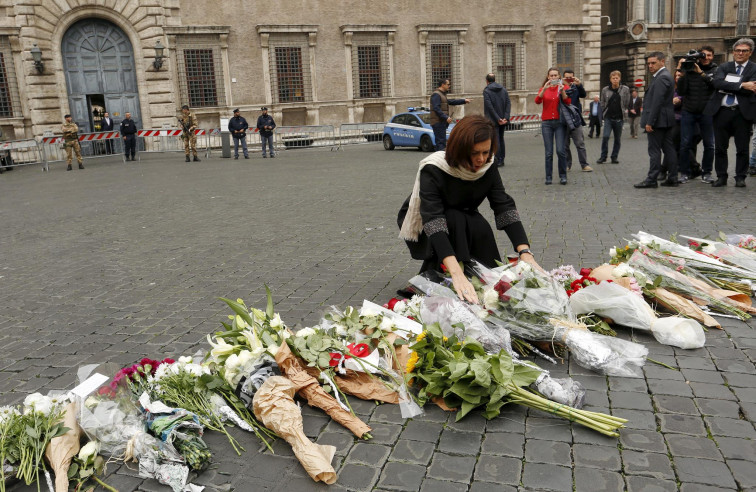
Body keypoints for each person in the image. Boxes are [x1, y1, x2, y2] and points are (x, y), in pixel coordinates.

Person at [397, 115, 540, 304]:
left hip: (463, 215)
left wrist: (525, 253)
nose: (481, 159)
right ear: (459, 149)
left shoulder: (488, 165)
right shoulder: (434, 168)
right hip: (427, 222)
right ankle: (445, 275)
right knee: (455, 219)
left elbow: (503, 205)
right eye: (474, 153)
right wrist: (456, 273)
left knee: (480, 226)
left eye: (485, 152)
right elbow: (433, 219)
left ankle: (481, 276)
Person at [704, 38, 756, 188]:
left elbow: (752, 89)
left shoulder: (754, 68)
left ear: (750, 53)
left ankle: (740, 177)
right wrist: (742, 85)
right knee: (720, 147)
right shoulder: (724, 66)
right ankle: (721, 176)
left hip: (742, 113)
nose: (740, 53)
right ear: (733, 52)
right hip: (721, 112)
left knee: (743, 148)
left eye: (744, 51)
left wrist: (728, 86)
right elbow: (717, 83)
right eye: (738, 50)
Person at [635, 52, 678, 188]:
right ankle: (672, 177)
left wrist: (650, 122)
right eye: (648, 63)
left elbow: (657, 102)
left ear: (662, 62)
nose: (650, 66)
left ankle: (652, 179)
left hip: (658, 120)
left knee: (654, 150)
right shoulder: (664, 76)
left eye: (653, 63)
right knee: (668, 149)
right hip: (665, 119)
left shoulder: (661, 77)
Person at [676, 56, 715, 183]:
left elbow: (714, 86)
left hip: (706, 111)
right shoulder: (687, 72)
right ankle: (684, 172)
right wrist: (681, 72)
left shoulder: (712, 70)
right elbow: (681, 91)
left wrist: (701, 73)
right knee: (685, 144)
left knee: (709, 144)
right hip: (689, 111)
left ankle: (707, 172)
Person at [534, 67, 571, 185]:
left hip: (560, 122)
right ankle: (548, 177)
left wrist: (563, 91)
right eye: (551, 76)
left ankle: (563, 176)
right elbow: (537, 101)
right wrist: (544, 89)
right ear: (548, 77)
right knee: (548, 152)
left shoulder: (563, 87)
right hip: (547, 123)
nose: (554, 77)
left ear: (559, 76)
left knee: (560, 150)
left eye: (555, 75)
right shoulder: (544, 88)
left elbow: (568, 102)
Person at [562, 69, 592, 172]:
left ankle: (584, 164)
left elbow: (583, 95)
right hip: (564, 119)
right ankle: (567, 165)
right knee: (565, 145)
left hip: (575, 118)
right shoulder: (560, 87)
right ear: (563, 77)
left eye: (571, 77)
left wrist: (579, 85)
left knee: (580, 143)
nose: (569, 80)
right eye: (567, 78)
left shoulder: (576, 86)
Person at [597, 70, 631, 164]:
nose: (615, 80)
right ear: (610, 79)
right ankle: (603, 157)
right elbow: (602, 102)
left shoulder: (625, 89)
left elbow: (627, 102)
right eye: (613, 78)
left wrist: (624, 110)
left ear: (620, 79)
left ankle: (614, 157)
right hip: (608, 117)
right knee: (605, 136)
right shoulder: (605, 90)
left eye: (617, 78)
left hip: (619, 118)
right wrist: (604, 111)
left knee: (617, 139)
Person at [430, 78, 471, 151]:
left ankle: (442, 158)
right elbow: (436, 108)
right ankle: (440, 159)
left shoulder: (441, 95)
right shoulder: (436, 94)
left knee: (442, 142)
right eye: (448, 84)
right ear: (443, 85)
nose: (449, 86)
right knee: (440, 143)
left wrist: (464, 101)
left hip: (441, 122)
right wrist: (445, 117)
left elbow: (451, 101)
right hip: (438, 122)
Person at [482, 73, 510, 167]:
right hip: (503, 119)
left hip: (493, 120)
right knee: (501, 139)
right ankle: (502, 159)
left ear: (487, 81)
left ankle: (497, 160)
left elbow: (489, 107)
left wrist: (497, 119)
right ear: (494, 79)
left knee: (495, 139)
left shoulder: (486, 91)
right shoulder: (503, 89)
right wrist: (505, 117)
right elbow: (508, 104)